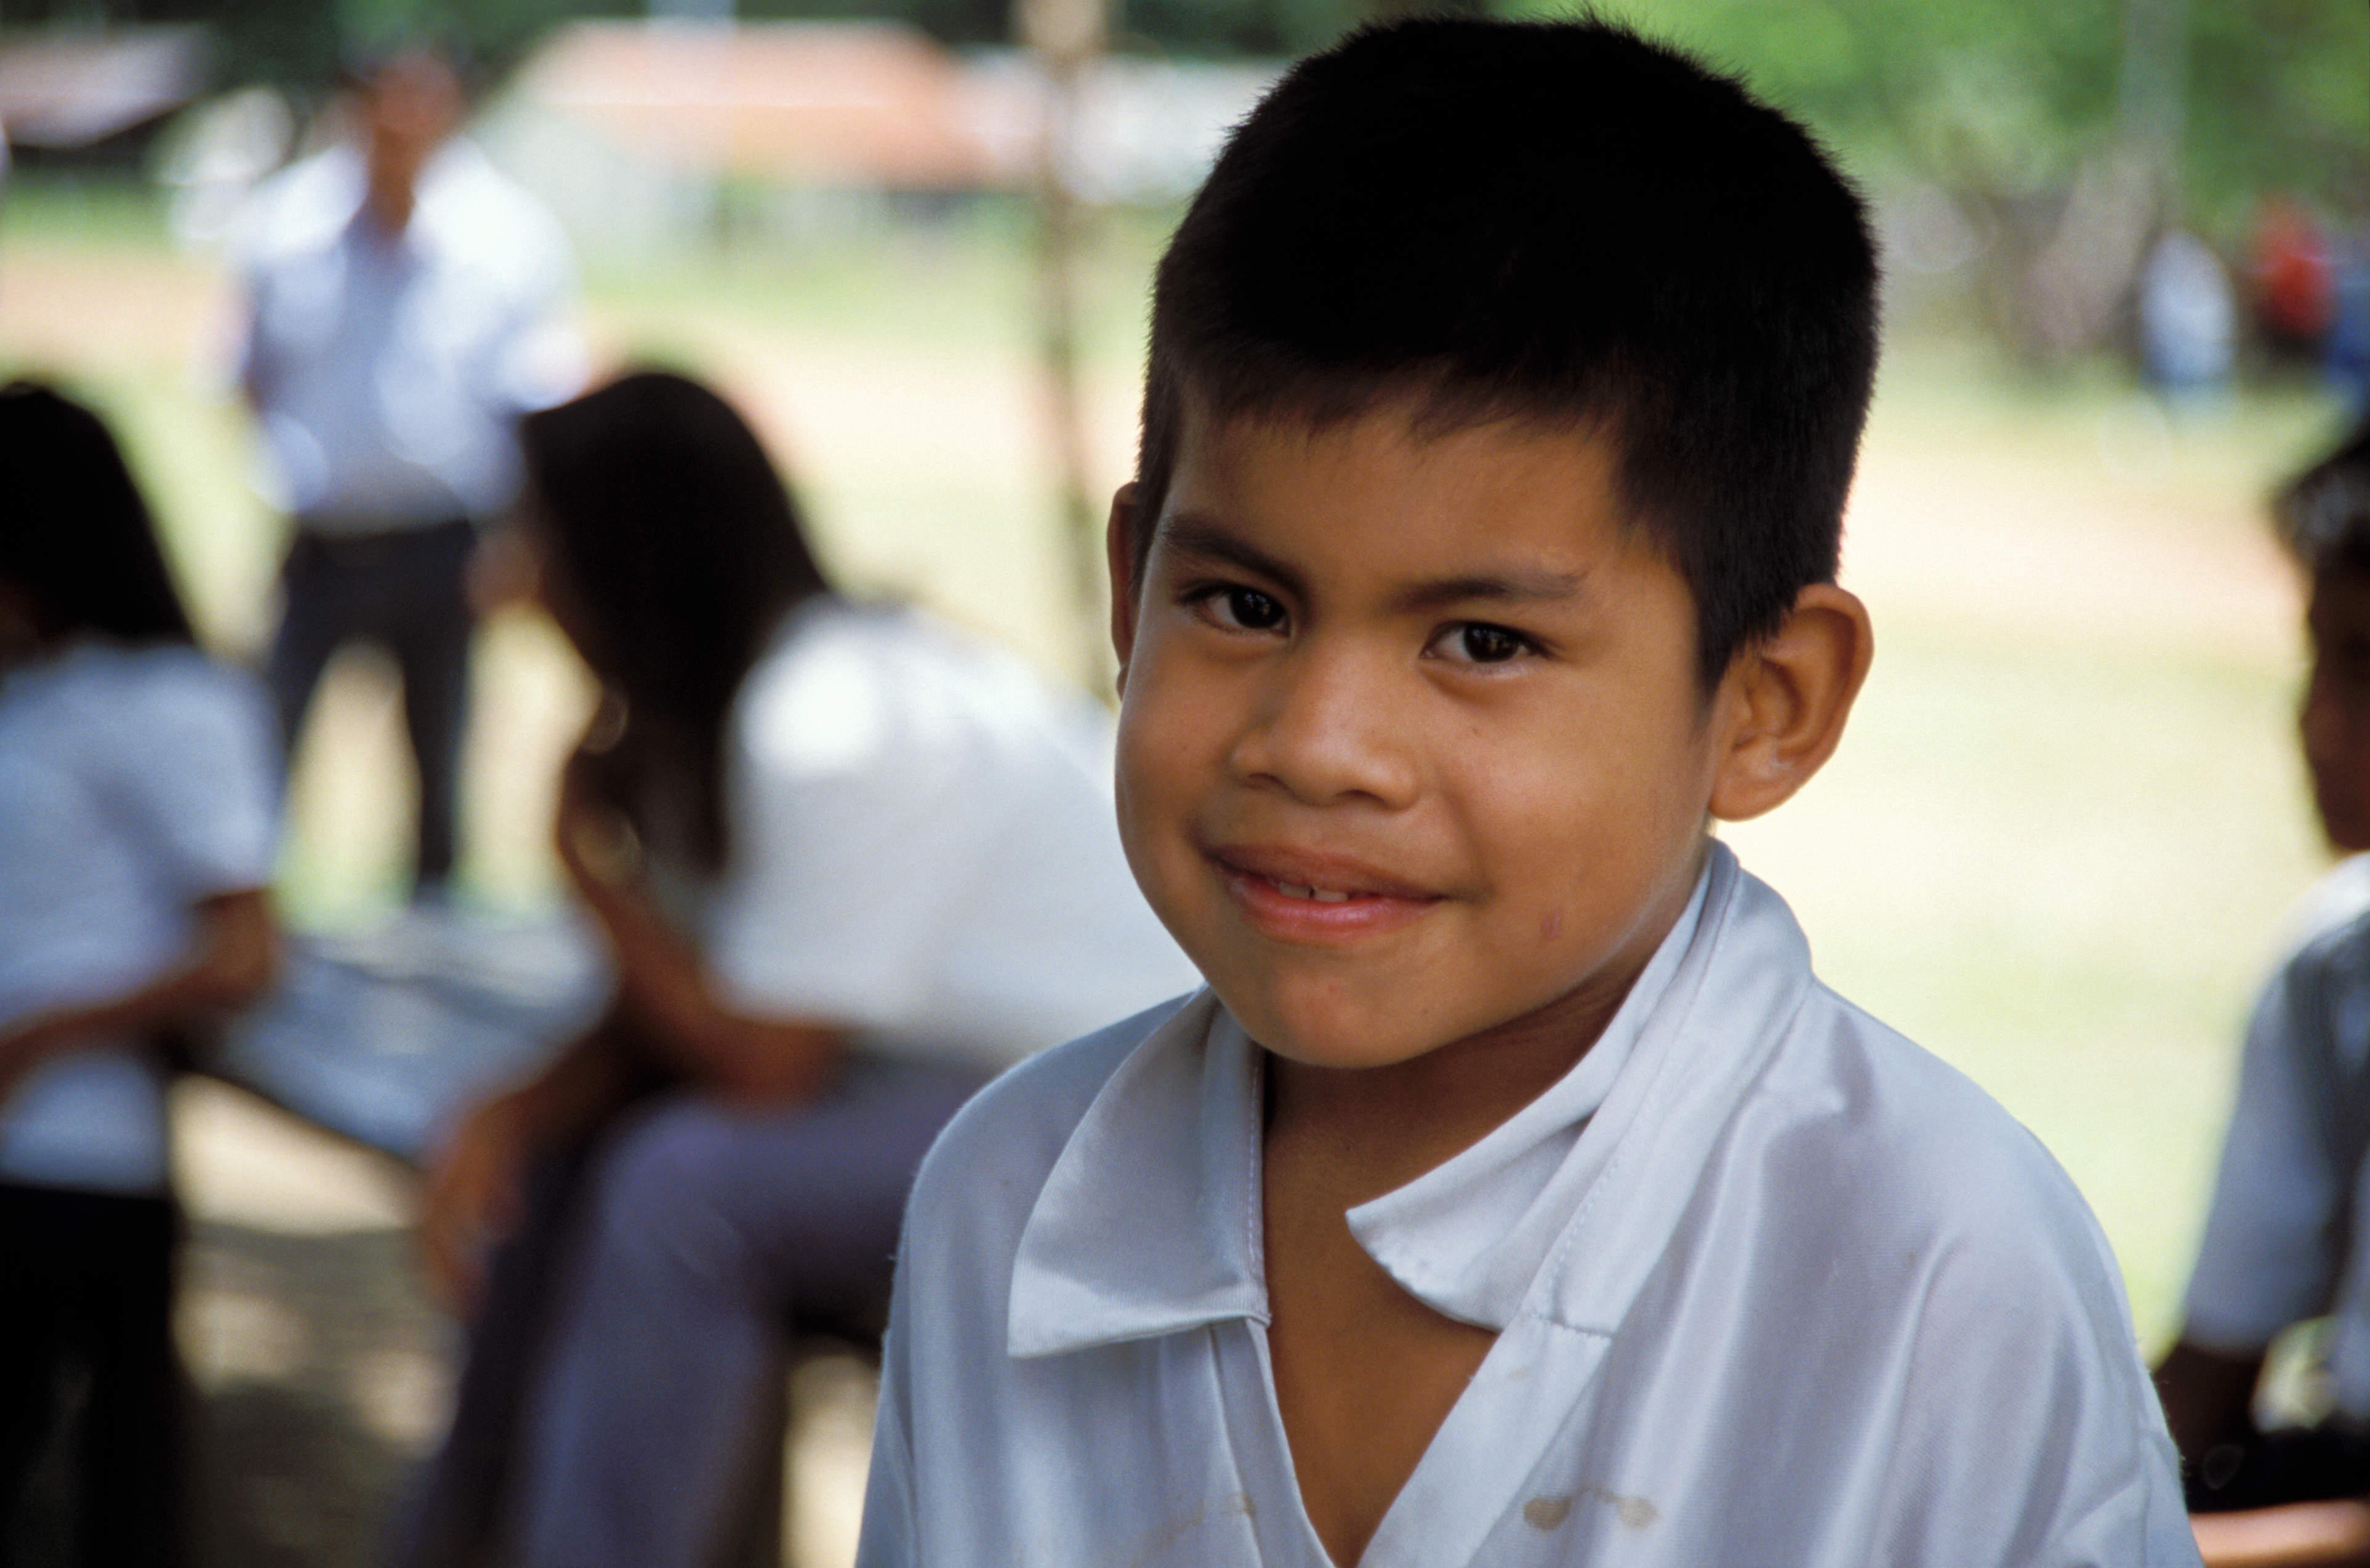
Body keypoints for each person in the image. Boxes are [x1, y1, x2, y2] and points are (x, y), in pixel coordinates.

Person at [856, 18, 2196, 1567]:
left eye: (1480, 640)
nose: (1317, 742)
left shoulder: (1932, 1265)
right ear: (1125, 588)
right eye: (1241, 604)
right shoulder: (1006, 1201)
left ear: (1766, 707)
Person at [400, 371, 1200, 1568]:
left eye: (533, 539)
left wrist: (587, 869)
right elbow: (704, 1001)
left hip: (1129, 1121)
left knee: (685, 1185)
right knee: (580, 1155)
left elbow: (761, 1061)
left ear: (628, 561)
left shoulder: (828, 721)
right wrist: (515, 1112)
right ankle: (467, 1537)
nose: (506, 583)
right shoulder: (765, 698)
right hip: (976, 1086)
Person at [0, 382, 280, 1567]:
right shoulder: (33, 693)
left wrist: (40, 1035)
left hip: (73, 1163)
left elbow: (244, 949)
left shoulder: (166, 704)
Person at [234, 43, 584, 899]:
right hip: (319, 540)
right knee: (259, 761)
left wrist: (521, 539)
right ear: (350, 110)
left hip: (447, 542)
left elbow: (538, 402)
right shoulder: (285, 227)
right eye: (381, 105)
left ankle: (434, 943)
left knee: (442, 766)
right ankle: (243, 950)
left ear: (451, 112)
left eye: (417, 105)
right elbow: (247, 375)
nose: (398, 126)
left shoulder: (506, 234)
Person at [2155, 421, 2370, 1568]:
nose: (2313, 717)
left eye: (2367, 665)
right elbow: (2205, 1376)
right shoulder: (2338, 966)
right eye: (2317, 654)